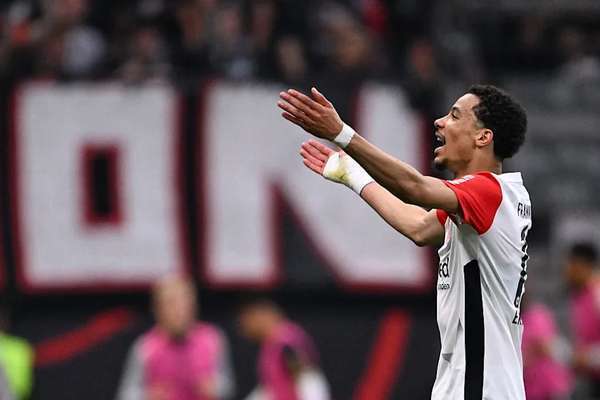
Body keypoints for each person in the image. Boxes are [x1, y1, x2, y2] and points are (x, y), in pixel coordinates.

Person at [278, 84, 531, 399]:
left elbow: (415, 188)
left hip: (481, 388)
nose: (440, 122)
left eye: (455, 116)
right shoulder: (487, 201)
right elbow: (418, 227)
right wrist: (354, 176)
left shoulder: (487, 192)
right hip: (472, 383)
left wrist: (342, 133)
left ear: (483, 137)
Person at [117, 275, 234, 400]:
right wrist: (147, 396)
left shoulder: (213, 339)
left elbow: (228, 386)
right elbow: (126, 395)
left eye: (184, 303)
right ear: (157, 309)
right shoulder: (145, 347)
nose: (179, 311)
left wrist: (215, 388)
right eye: (171, 304)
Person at [238, 299, 330, 400]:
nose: (244, 328)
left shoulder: (287, 342)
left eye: (248, 321)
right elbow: (270, 387)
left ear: (262, 316)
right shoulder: (271, 344)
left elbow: (308, 378)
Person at [565, 242, 600, 398]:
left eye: (573, 264)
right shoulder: (577, 297)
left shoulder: (597, 294)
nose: (568, 270)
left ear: (585, 266)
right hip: (592, 379)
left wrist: (589, 358)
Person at [521, 298, 572, 400]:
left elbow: (548, 346)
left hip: (553, 387)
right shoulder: (514, 322)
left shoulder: (538, 315)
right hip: (531, 390)